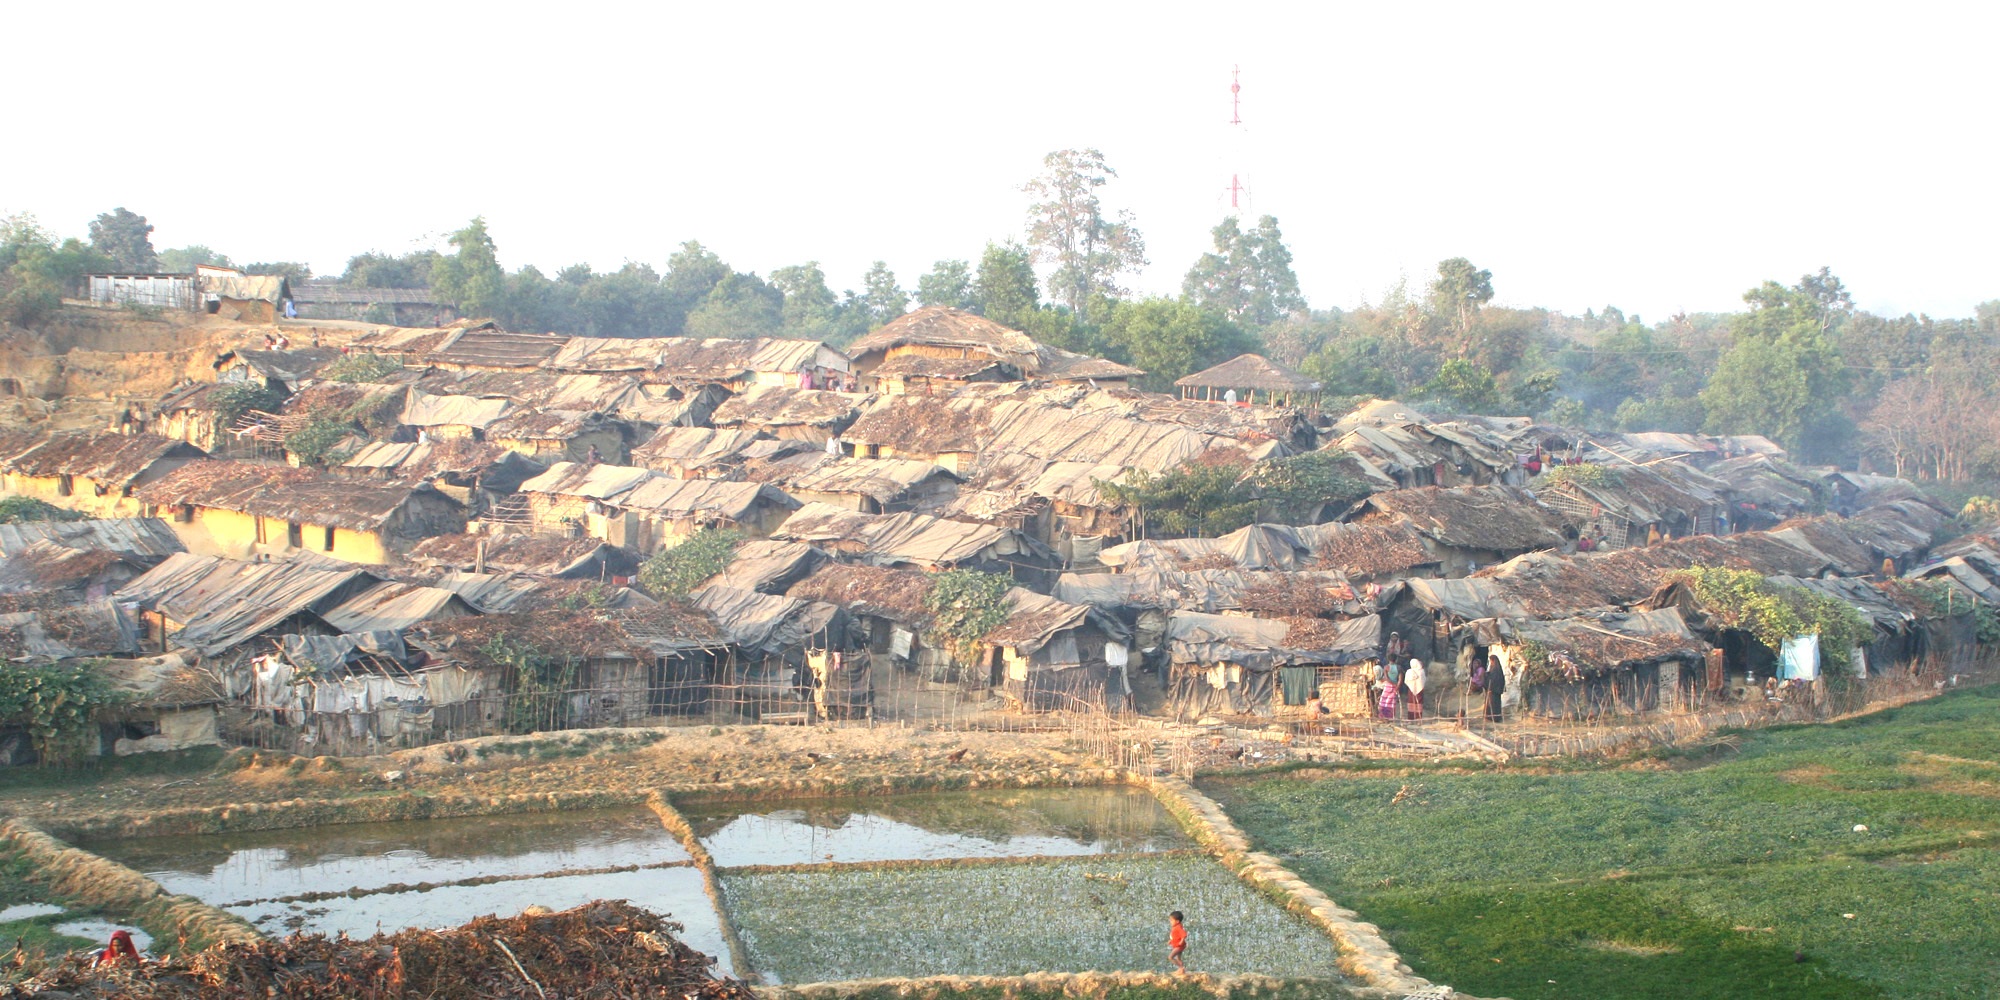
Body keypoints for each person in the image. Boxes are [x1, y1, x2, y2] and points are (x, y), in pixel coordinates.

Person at [1483, 654, 1506, 724]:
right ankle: (1489, 717)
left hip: (1494, 690)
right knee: (1490, 704)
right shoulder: (1493, 668)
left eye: (1491, 661)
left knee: (1494, 704)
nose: (1491, 662)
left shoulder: (1496, 670)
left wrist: (1487, 678)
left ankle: (1495, 718)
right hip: (1493, 690)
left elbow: (1494, 680)